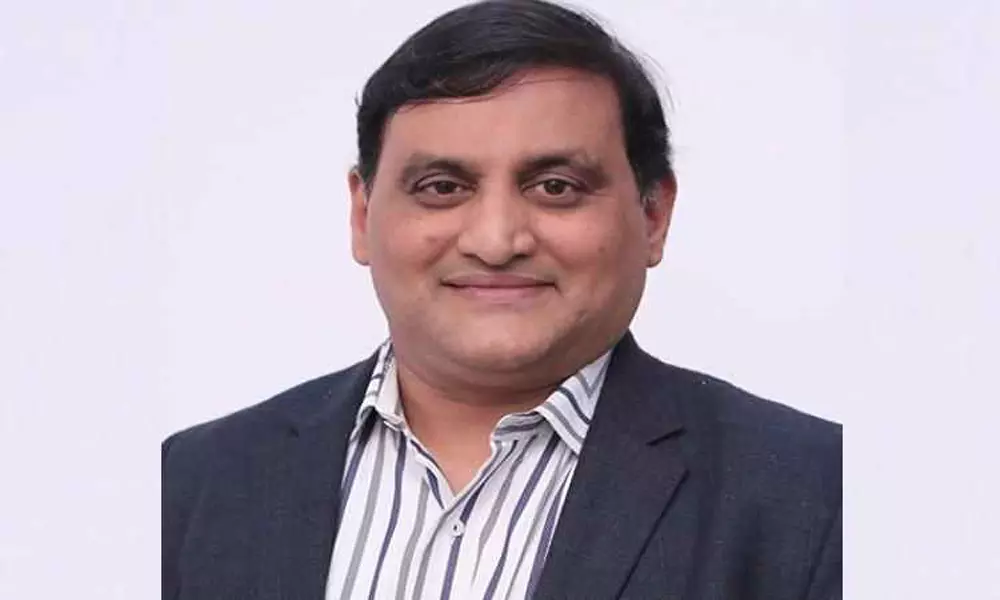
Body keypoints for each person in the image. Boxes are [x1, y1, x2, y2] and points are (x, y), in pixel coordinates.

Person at [161, 0, 842, 598]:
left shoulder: (819, 497)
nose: (495, 241)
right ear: (362, 215)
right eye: (442, 188)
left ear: (654, 214)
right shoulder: (189, 484)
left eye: (555, 187)